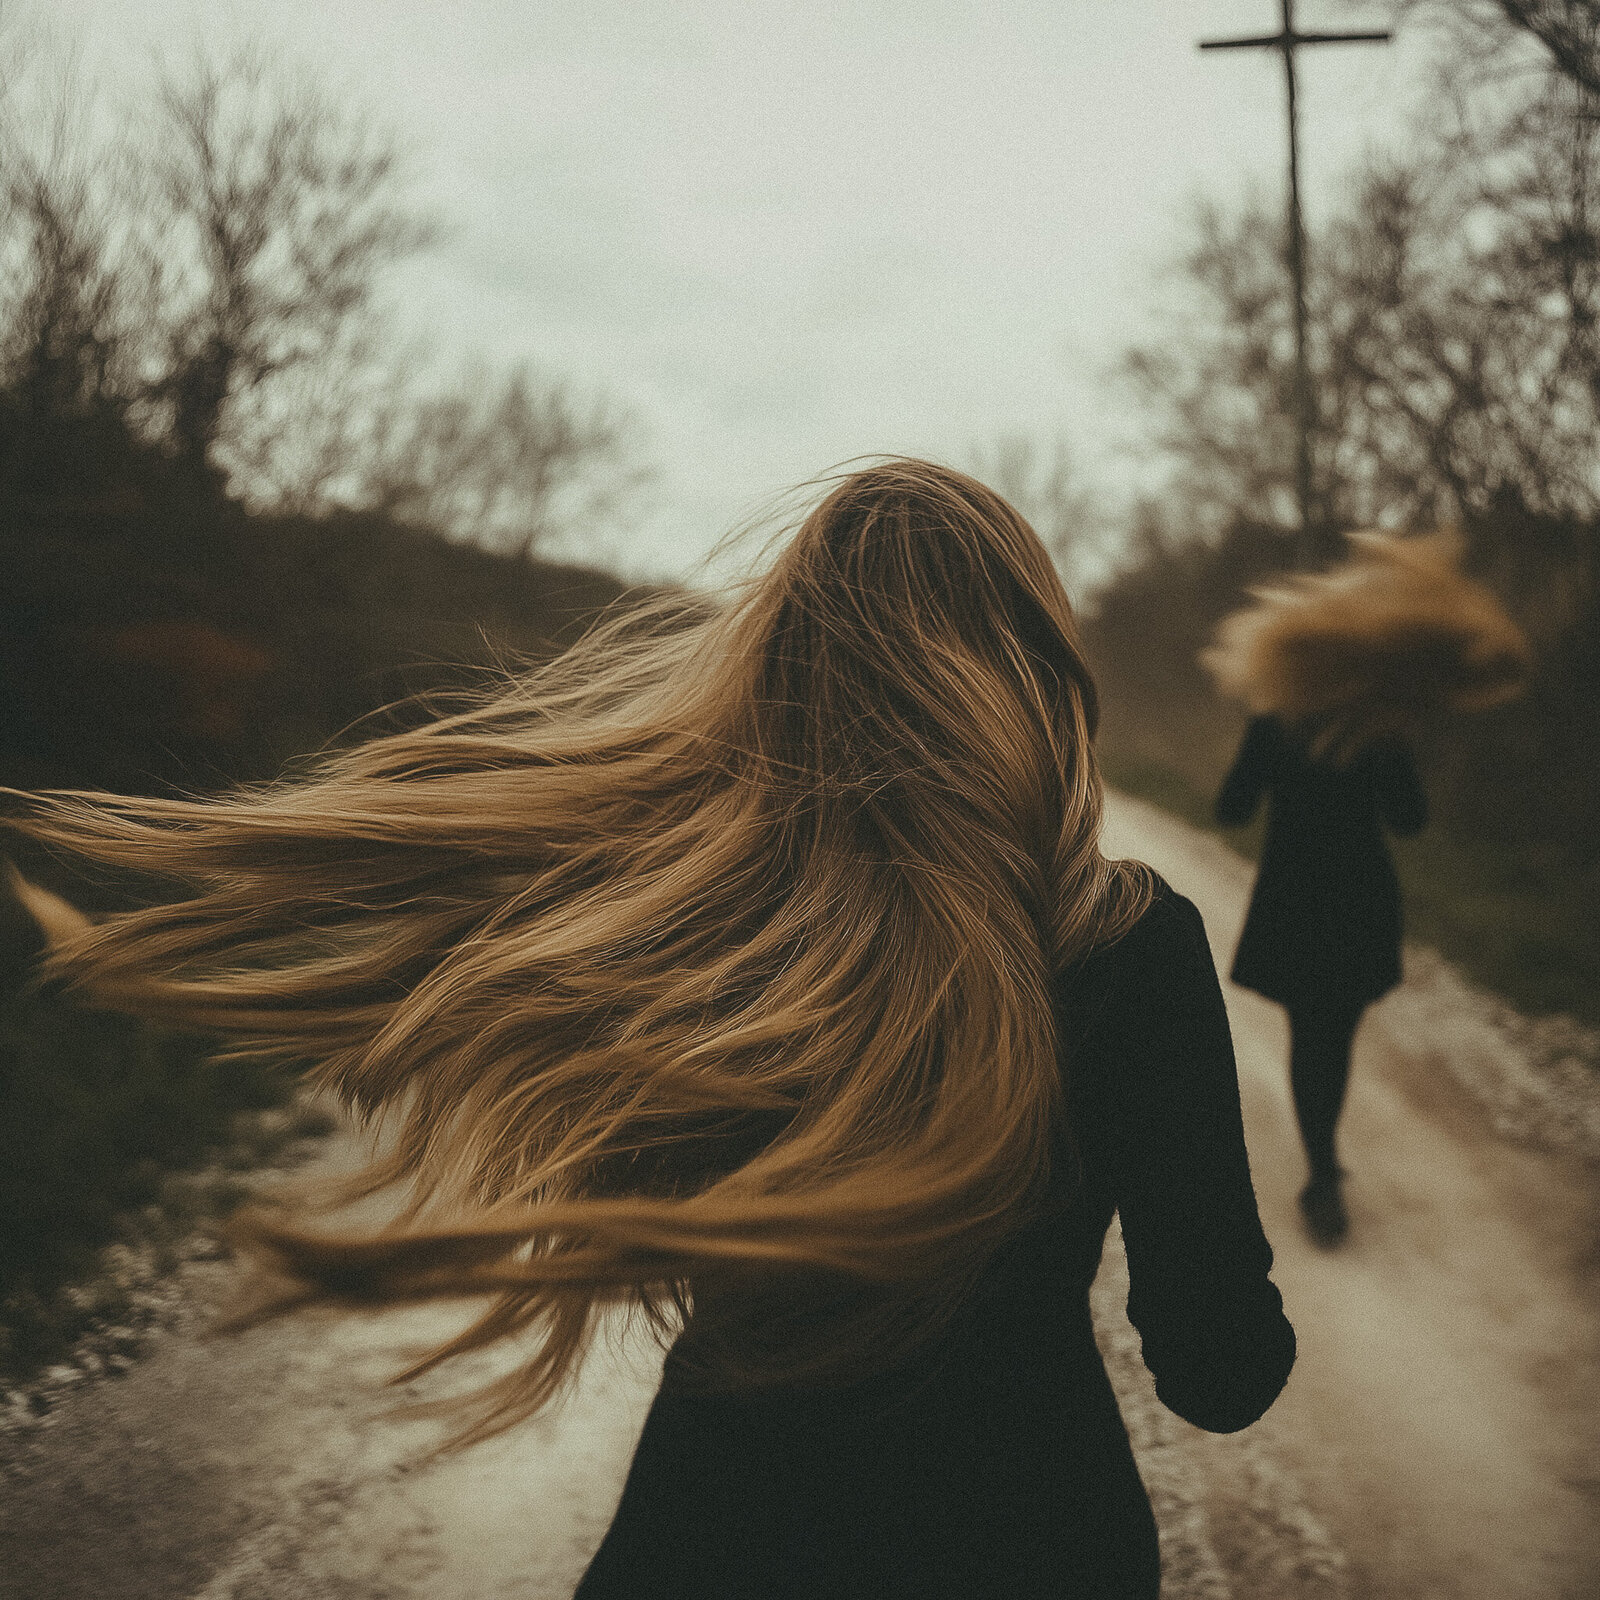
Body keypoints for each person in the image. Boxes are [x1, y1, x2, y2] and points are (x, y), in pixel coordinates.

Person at [15, 461, 1295, 1599]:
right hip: (1031, 1537)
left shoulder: (725, 922)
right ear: (1031, 664)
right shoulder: (1131, 944)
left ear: (797, 670)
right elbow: (1218, 1374)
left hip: (729, 1525)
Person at [1205, 531, 1530, 1247]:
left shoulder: (1275, 721)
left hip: (1293, 898)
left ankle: (1321, 1169)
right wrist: (1398, 737)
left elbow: (1230, 810)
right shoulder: (1378, 728)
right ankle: (1325, 1166)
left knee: (1305, 1035)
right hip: (1358, 900)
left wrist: (1257, 748)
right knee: (1337, 1035)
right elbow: (1409, 822)